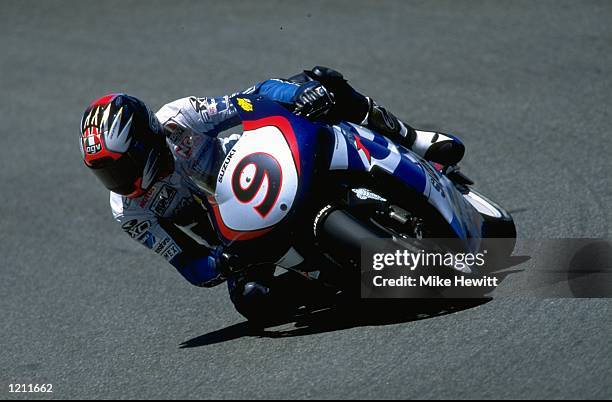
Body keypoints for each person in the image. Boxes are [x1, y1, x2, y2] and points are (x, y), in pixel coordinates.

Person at [79, 66, 464, 319]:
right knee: (254, 301)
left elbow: (248, 98)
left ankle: (413, 141)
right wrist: (222, 262)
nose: (117, 181)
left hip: (264, 169)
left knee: (320, 81)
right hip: (238, 238)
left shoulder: (180, 119)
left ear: (146, 141)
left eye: (119, 166)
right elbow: (187, 264)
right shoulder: (129, 211)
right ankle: (339, 289)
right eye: (105, 173)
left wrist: (293, 94)